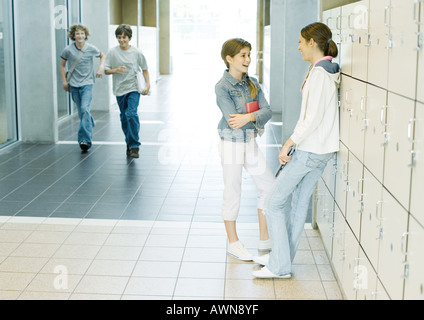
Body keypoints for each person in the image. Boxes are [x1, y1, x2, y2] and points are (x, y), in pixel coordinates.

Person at [252, 22, 340, 278]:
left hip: (310, 151)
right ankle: (283, 260)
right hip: (320, 151)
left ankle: (279, 266)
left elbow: (311, 118)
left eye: (301, 42)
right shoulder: (323, 69)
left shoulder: (321, 74)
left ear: (312, 42)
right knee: (299, 203)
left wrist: (289, 142)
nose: (298, 46)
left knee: (273, 202)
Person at [216, 38, 275, 261]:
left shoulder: (254, 83)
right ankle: (233, 243)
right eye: (242, 55)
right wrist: (257, 118)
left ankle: (264, 238)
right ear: (229, 59)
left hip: (250, 142)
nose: (248, 59)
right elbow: (233, 120)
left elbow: (268, 111)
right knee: (233, 192)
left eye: (249, 55)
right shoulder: (222, 87)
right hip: (231, 143)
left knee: (268, 186)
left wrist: (250, 117)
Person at [104, 24, 150, 159]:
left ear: (129, 38)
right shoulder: (112, 52)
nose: (122, 40)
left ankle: (135, 146)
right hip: (119, 90)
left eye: (124, 37)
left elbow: (145, 69)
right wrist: (115, 70)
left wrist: (147, 85)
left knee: (131, 114)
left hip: (133, 88)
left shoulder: (137, 52)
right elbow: (106, 70)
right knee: (124, 118)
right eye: (119, 37)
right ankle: (129, 143)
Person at [60, 24, 105, 152]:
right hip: (73, 85)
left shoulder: (91, 48)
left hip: (87, 83)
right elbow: (62, 66)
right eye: (77, 34)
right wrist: (64, 82)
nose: (80, 36)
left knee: (85, 108)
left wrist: (101, 67)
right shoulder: (67, 50)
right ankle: (89, 122)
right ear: (73, 36)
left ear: (85, 35)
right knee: (81, 112)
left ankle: (84, 140)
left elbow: (102, 55)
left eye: (82, 33)